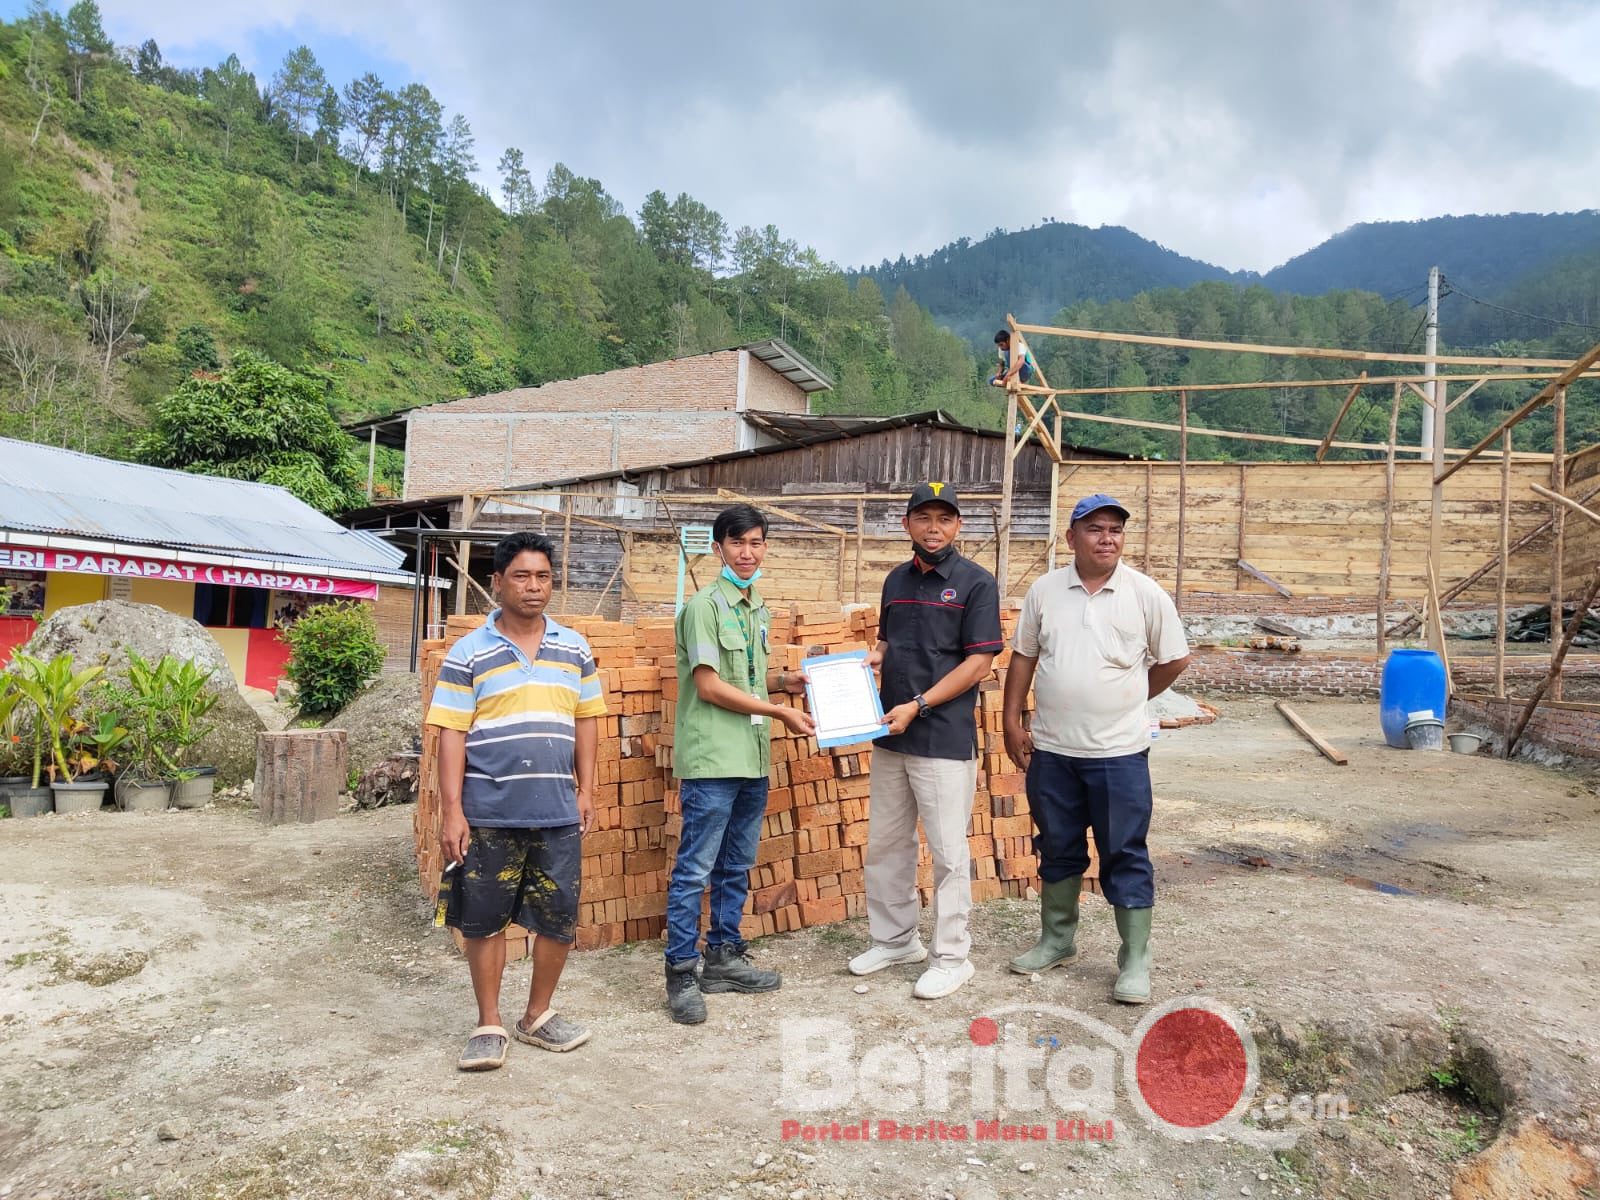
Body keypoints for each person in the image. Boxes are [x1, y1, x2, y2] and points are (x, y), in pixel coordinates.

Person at [425, 531, 606, 1070]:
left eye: (543, 577)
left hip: (556, 812)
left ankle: (538, 1015)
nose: (534, 587)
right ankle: (489, 1022)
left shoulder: (574, 647)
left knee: (558, 918)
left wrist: (587, 788)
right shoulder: (469, 652)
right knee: (483, 918)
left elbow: (587, 720)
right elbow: (451, 733)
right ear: (497, 582)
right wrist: (452, 810)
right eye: (522, 576)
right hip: (489, 814)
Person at [1002, 494, 1191, 1004]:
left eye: (1115, 530)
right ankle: (1057, 940)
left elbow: (1174, 660)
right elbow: (1023, 656)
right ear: (1071, 539)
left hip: (1119, 753)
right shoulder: (1046, 591)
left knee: (1124, 853)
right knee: (1058, 847)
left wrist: (1132, 695)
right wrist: (1010, 717)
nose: (1107, 538)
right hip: (1054, 751)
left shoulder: (1146, 594)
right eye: (1095, 530)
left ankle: (1134, 960)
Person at [848, 483, 1002, 999]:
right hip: (891, 733)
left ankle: (952, 956)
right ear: (906, 524)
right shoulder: (895, 580)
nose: (933, 528)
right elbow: (888, 644)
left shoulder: (976, 583)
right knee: (888, 843)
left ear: (958, 526)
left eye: (944, 518)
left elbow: (979, 662)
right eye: (923, 518)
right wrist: (870, 662)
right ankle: (894, 940)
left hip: (940, 735)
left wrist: (919, 705)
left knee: (948, 852)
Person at [665, 504, 815, 1025]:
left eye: (756, 542)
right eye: (737, 543)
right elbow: (708, 686)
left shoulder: (756, 607)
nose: (747, 553)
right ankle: (682, 972)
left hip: (751, 758)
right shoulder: (704, 607)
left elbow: (746, 677)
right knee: (695, 869)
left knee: (734, 866)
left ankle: (724, 957)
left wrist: (783, 685)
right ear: (718, 548)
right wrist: (777, 710)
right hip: (713, 759)